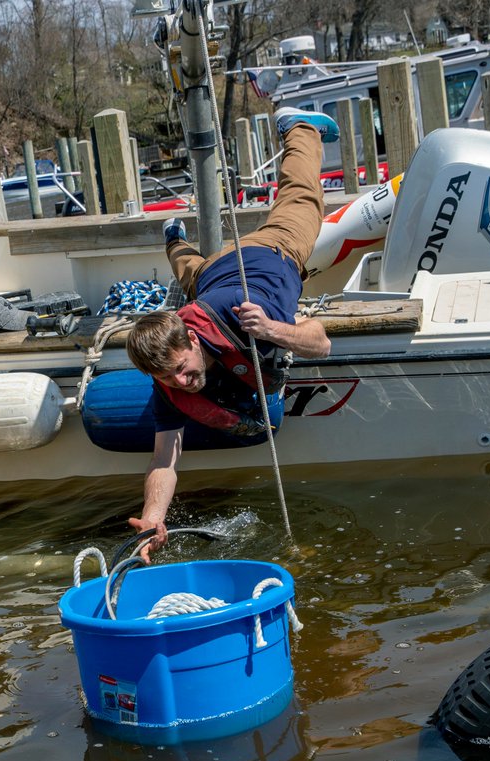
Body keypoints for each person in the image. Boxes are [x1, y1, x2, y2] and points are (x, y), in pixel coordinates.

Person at [124, 107, 339, 561]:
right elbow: (164, 459)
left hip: (273, 249)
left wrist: (273, 328)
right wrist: (152, 518)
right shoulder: (172, 369)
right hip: (209, 276)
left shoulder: (246, 316)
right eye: (167, 378)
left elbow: (320, 342)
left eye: (181, 370)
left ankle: (298, 126)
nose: (181, 383)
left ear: (193, 339)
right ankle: (173, 238)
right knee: (188, 267)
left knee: (303, 195)